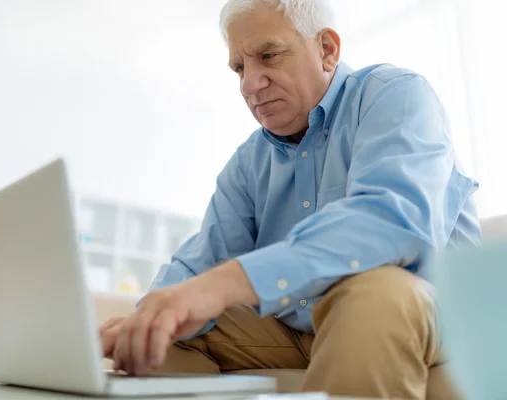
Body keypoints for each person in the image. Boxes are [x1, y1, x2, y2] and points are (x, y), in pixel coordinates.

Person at [100, 0, 481, 398]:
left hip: (432, 315)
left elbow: (392, 224)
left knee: (376, 294)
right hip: (307, 328)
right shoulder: (249, 161)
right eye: (240, 68)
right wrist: (149, 315)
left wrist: (227, 283)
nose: (249, 84)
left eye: (268, 55)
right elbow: (204, 258)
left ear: (327, 50)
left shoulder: (396, 96)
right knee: (166, 329)